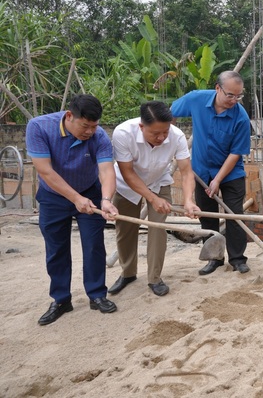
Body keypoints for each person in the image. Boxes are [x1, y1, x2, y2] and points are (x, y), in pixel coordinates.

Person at [26, 94, 119, 326]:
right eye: (85, 126)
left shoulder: (99, 136)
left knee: (94, 245)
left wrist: (106, 200)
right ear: (69, 116)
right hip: (53, 197)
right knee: (56, 249)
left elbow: (107, 171)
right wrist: (76, 198)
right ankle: (60, 299)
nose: (90, 131)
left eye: (94, 126)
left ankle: (97, 295)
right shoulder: (38, 127)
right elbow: (46, 172)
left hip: (90, 191)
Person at [109, 101, 201, 297]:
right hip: (127, 185)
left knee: (157, 229)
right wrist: (151, 199)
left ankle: (154, 278)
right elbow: (127, 172)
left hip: (159, 182)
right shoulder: (123, 133)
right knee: (125, 230)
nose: (161, 137)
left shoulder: (176, 136)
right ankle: (128, 273)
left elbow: (186, 171)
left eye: (164, 132)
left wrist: (188, 200)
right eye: (155, 134)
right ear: (141, 126)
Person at [171, 70, 251, 274]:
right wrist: (168, 137)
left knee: (234, 215)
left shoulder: (240, 117)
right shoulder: (196, 99)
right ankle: (214, 258)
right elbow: (169, 113)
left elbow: (235, 154)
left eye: (238, 96)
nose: (234, 100)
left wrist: (217, 180)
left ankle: (237, 259)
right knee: (207, 216)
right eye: (230, 95)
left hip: (230, 173)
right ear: (218, 88)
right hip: (201, 171)